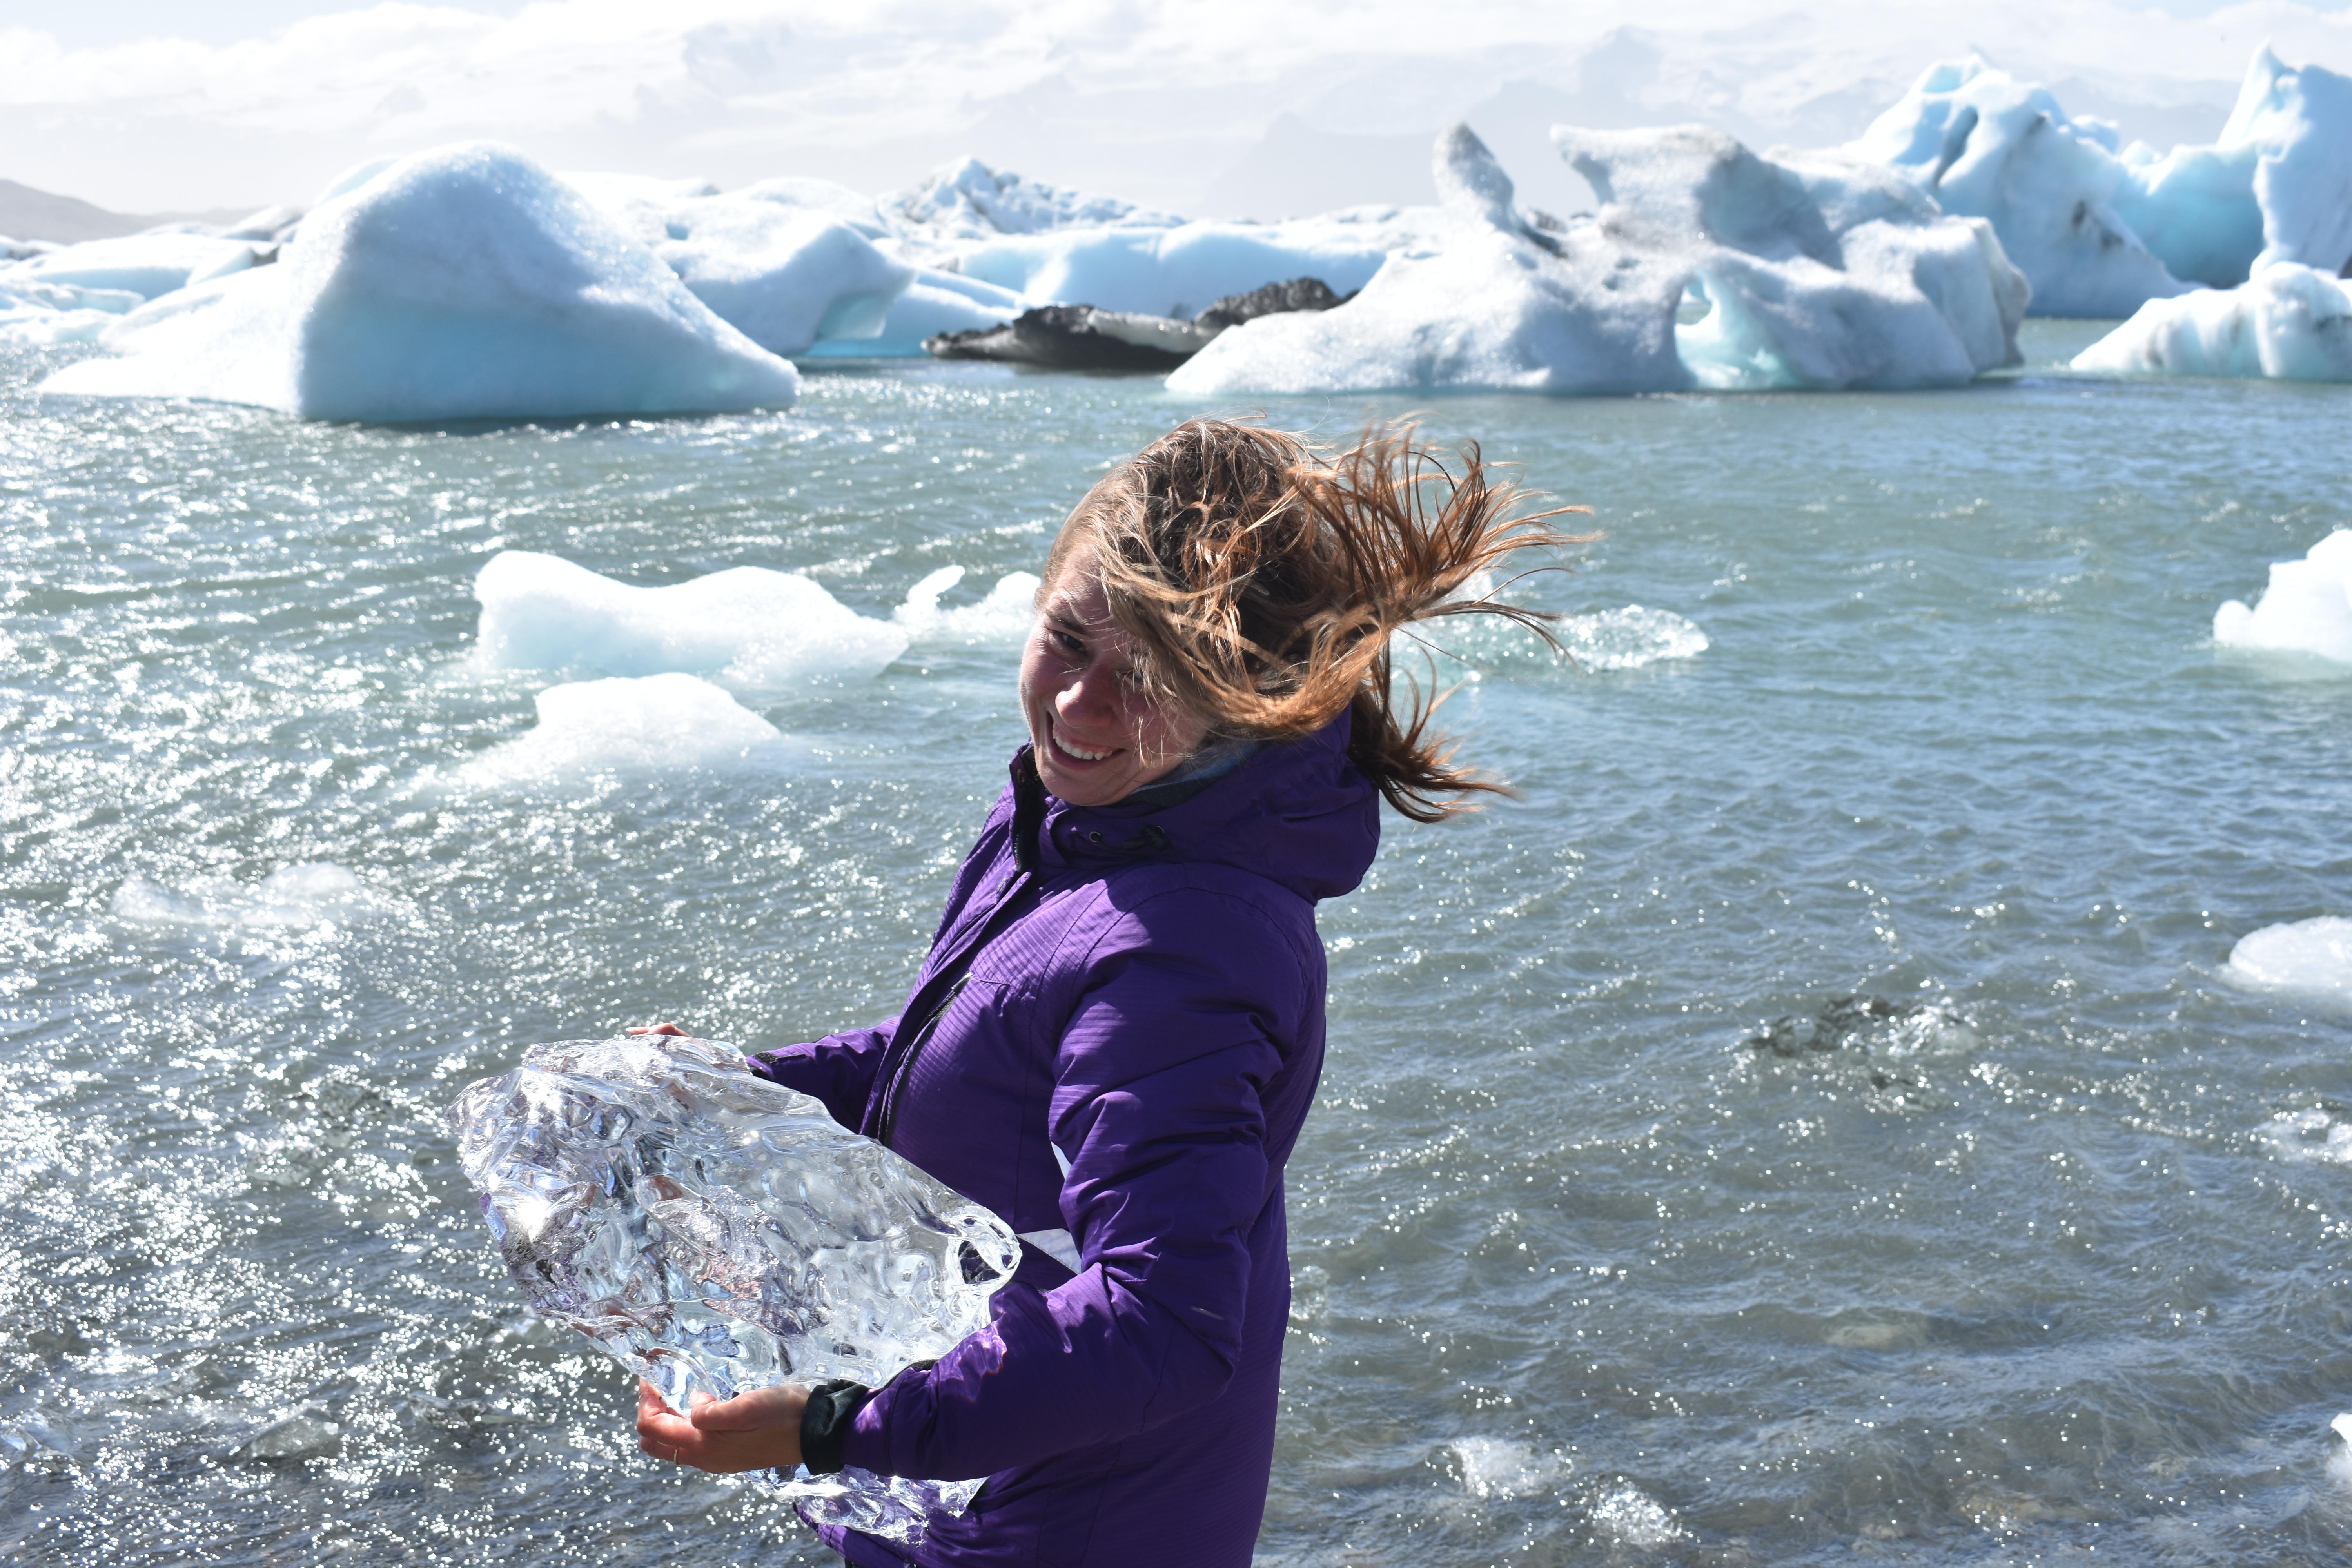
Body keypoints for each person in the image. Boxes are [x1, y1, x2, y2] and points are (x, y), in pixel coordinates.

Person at [635, 418, 1568, 1566]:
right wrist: (734, 1084)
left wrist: (840, 1427)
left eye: (1152, 680)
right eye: (1068, 640)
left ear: (1245, 692)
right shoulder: (1083, 825)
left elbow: (1164, 1323)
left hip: (1067, 1522)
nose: (1079, 709)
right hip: (989, 1459)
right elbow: (969, 1050)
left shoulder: (1187, 946)